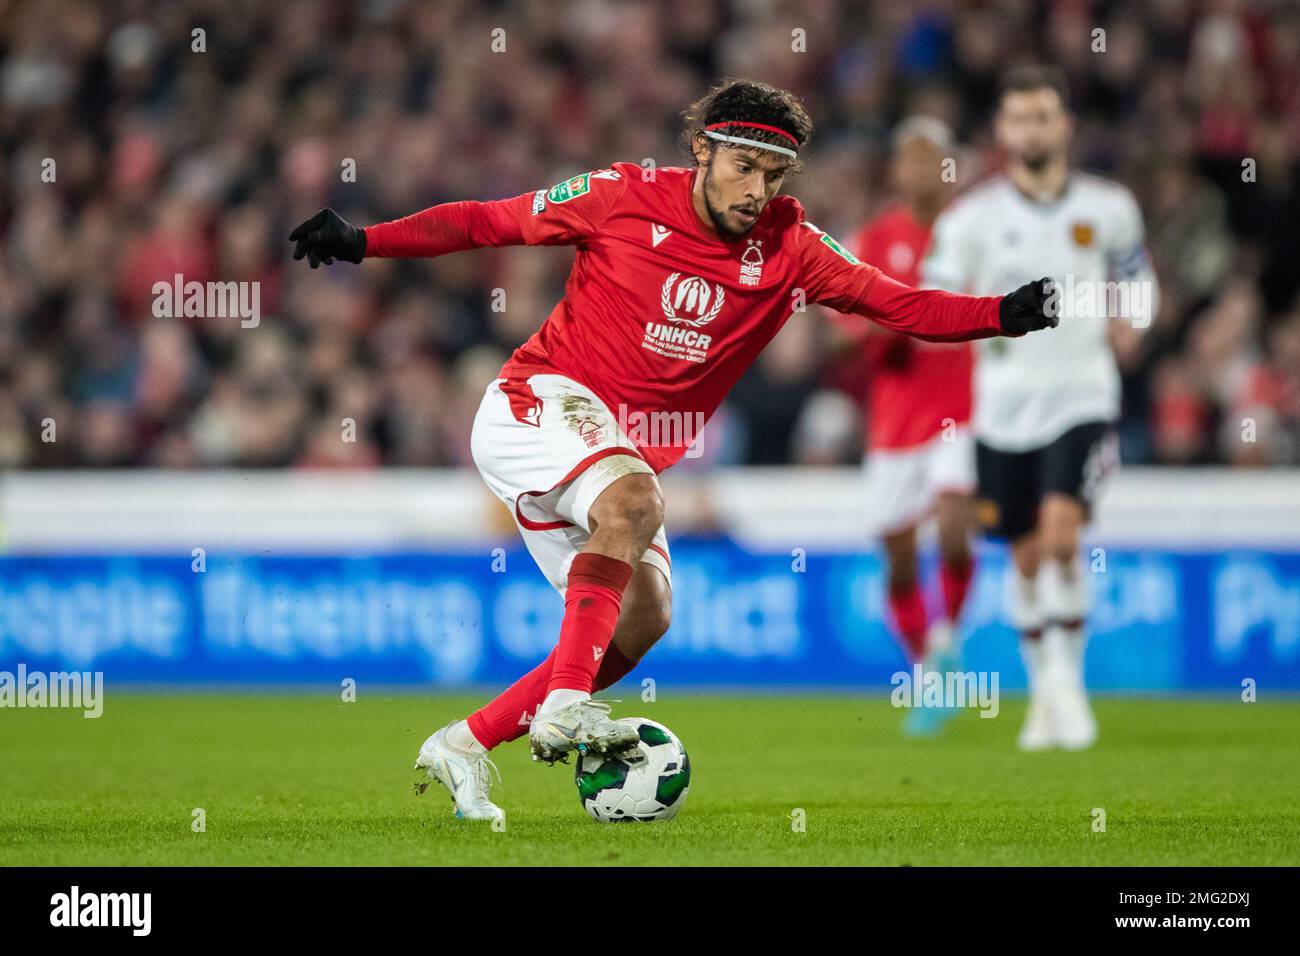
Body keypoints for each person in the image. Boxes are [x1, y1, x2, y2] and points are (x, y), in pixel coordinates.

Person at [289, 78, 1057, 820]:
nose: (757, 188)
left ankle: (465, 743)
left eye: (774, 173)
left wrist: (1001, 313)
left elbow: (899, 302)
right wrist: (364, 241)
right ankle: (566, 705)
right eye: (744, 167)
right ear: (701, 150)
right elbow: (488, 221)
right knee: (632, 501)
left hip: (611, 455)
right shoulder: (620, 195)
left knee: (647, 616)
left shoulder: (792, 246)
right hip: (537, 404)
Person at [922, 66, 1157, 750]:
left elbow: (1138, 277)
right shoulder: (973, 218)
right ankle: (1043, 694)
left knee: (1061, 536)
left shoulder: (1107, 206)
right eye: (1018, 118)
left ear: (1064, 126)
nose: (1031, 129)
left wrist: (1134, 323)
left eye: (1043, 117)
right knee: (1024, 557)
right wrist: (974, 323)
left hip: (1082, 394)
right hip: (1001, 408)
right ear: (1002, 130)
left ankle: (1069, 689)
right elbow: (934, 299)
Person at [844, 116, 974, 736]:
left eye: (932, 158)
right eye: (910, 159)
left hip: (963, 408)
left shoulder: (975, 234)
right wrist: (885, 328)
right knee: (897, 560)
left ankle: (947, 639)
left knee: (954, 524)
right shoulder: (877, 238)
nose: (920, 171)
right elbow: (847, 324)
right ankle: (930, 671)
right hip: (896, 420)